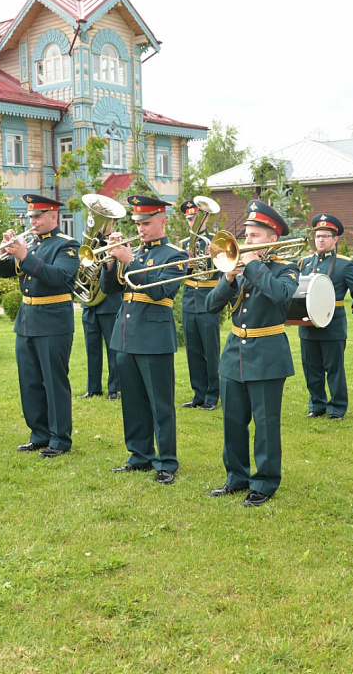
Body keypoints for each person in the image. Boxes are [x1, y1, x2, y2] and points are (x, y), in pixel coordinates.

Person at [206, 200, 299, 507]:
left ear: (273, 238)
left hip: (268, 354)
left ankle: (265, 482)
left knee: (265, 424)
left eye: (254, 236)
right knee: (232, 421)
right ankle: (236, 477)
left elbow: (281, 295)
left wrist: (254, 264)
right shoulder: (240, 269)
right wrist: (229, 278)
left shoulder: (287, 268)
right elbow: (210, 306)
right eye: (246, 234)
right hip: (235, 354)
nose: (247, 241)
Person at [101, 194, 188, 484]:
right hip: (126, 334)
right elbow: (109, 288)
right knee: (133, 402)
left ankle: (166, 461)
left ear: (163, 221)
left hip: (153, 335)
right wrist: (112, 264)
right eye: (137, 223)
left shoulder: (175, 255)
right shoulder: (133, 251)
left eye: (147, 223)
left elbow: (160, 291)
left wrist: (131, 261)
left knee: (160, 403)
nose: (140, 229)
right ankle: (139, 455)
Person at [0, 194, 80, 458]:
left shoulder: (67, 245)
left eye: (38, 216)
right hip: (27, 319)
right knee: (29, 381)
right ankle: (39, 434)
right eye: (30, 216)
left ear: (54, 217)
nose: (33, 221)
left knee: (53, 382)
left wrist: (24, 255)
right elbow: (6, 272)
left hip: (53, 320)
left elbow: (60, 277)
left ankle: (60, 439)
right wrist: (2, 252)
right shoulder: (31, 243)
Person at [298, 214, 353, 420]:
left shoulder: (344, 264)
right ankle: (316, 405)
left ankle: (337, 408)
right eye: (318, 236)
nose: (320, 239)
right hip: (308, 323)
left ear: (335, 239)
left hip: (332, 323)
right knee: (311, 368)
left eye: (325, 236)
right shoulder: (304, 262)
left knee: (334, 369)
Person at [178, 199, 221, 411]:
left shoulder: (216, 241)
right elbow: (177, 273)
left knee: (210, 351)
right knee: (193, 351)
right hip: (189, 300)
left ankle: (213, 396)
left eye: (194, 218)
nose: (191, 222)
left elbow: (224, 269)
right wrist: (187, 266)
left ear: (204, 218)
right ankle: (198, 394)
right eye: (189, 218)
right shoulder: (183, 244)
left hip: (208, 299)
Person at [79, 216, 122, 401]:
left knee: (113, 349)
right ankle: (93, 387)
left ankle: (114, 389)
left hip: (109, 303)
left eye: (107, 222)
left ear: (113, 224)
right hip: (89, 302)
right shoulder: (88, 243)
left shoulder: (118, 243)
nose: (104, 226)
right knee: (92, 348)